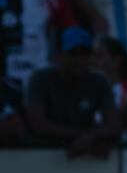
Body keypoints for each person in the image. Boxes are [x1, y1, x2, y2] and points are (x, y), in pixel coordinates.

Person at [24, 26, 120, 159]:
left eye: (85, 54)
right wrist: (84, 137)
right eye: (73, 53)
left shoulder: (99, 82)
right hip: (40, 156)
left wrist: (90, 137)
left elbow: (114, 125)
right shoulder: (40, 79)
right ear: (60, 55)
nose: (80, 60)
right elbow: (38, 125)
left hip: (81, 156)